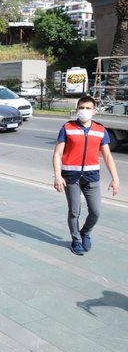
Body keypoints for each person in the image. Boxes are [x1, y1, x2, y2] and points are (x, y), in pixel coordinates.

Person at [52, 95, 120, 255]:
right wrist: (57, 175)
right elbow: (57, 154)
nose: (84, 111)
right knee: (74, 211)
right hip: (71, 177)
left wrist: (115, 178)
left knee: (96, 211)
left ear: (94, 111)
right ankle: (76, 240)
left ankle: (85, 233)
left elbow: (108, 156)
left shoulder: (100, 130)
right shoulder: (67, 127)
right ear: (77, 109)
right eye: (81, 108)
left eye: (88, 108)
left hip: (91, 177)